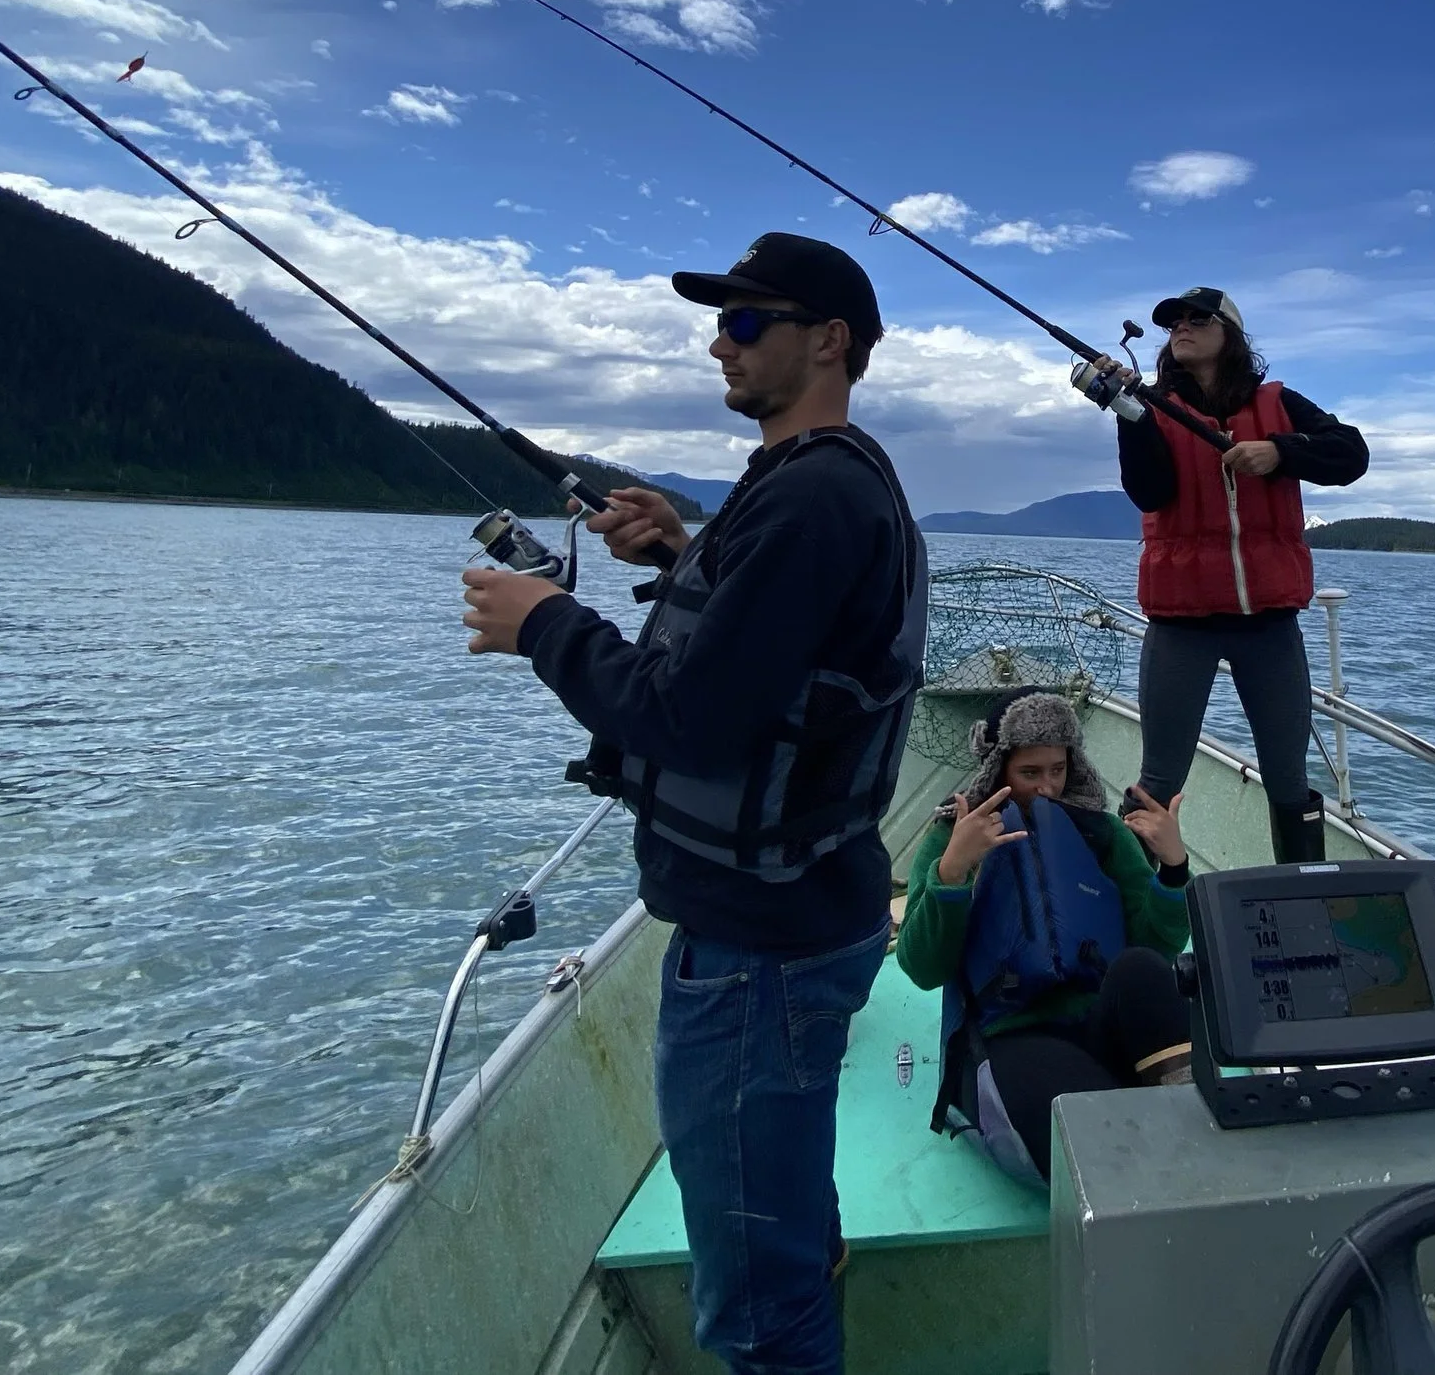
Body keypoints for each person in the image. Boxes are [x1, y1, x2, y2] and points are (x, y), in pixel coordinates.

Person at [459, 231, 926, 1375]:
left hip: (756, 959)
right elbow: (776, 663)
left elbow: (691, 721)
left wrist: (544, 623)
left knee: (754, 1315)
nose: (719, 339)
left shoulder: (811, 499)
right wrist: (679, 553)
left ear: (829, 341)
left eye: (747, 320)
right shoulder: (817, 486)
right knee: (786, 1234)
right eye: (719, 320)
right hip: (803, 919)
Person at [1102, 287, 1368, 863]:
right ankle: (1142, 912)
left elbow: (1351, 454)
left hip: (1270, 626)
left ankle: (1305, 898)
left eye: (1200, 318)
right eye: (1174, 321)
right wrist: (1129, 415)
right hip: (1180, 623)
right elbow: (1148, 491)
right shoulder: (1151, 406)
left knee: (1288, 779)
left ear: (1233, 334)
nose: (1182, 327)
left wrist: (1279, 451)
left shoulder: (1280, 402)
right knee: (1159, 777)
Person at [896, 689, 1194, 1186]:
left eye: (1057, 769)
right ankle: (1142, 1124)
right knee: (1100, 1148)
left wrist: (1174, 868)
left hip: (1094, 1023)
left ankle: (1191, 1118)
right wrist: (951, 873)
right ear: (998, 768)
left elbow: (1154, 946)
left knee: (1142, 969)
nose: (1047, 788)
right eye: (1029, 773)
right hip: (1008, 1034)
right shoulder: (953, 838)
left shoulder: (1102, 834)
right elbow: (922, 969)